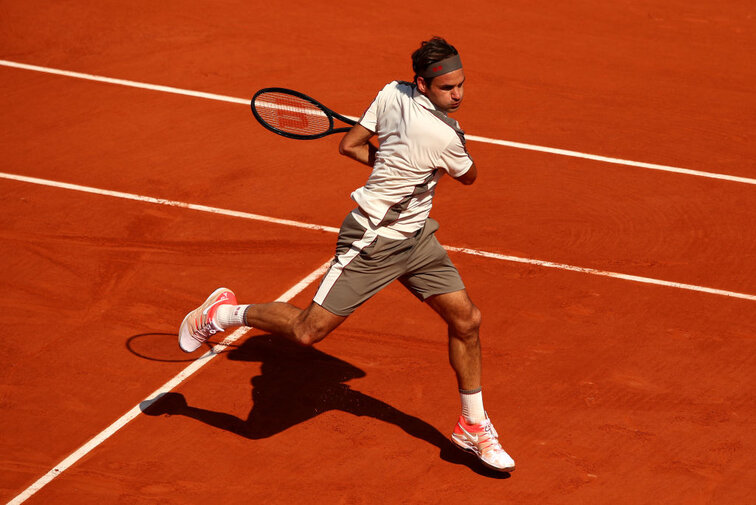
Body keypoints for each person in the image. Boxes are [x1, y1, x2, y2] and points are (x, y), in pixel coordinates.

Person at [178, 37, 515, 472]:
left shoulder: (392, 91)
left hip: (416, 239)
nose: (459, 95)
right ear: (423, 84)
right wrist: (411, 159)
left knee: (467, 320)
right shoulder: (445, 134)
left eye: (461, 85)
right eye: (449, 88)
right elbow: (469, 177)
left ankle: (472, 425)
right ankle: (220, 315)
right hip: (373, 241)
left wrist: (393, 163)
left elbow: (351, 146)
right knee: (305, 332)